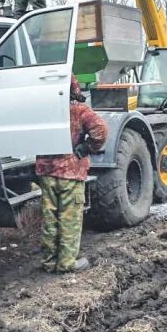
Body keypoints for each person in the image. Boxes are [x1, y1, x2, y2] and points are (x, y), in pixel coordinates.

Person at [35, 76, 108, 273]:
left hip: (47, 172)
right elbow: (101, 130)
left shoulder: (41, 111)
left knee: (49, 218)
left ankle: (49, 262)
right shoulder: (78, 110)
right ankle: (67, 263)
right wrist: (85, 149)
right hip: (71, 173)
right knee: (70, 219)